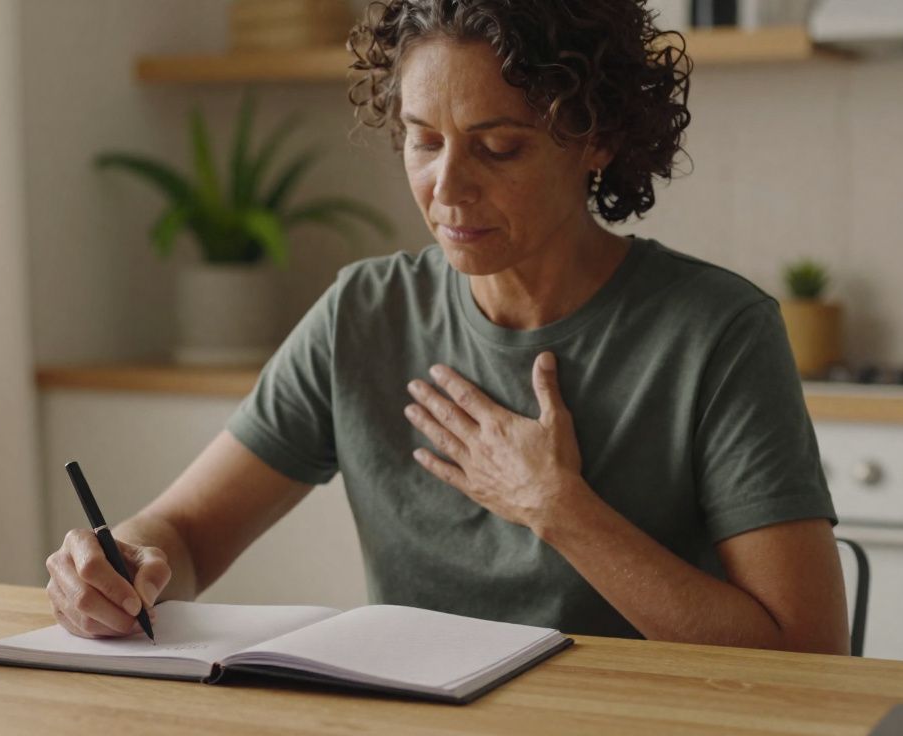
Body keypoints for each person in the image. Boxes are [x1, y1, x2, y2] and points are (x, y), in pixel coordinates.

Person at [45, 0, 849, 654]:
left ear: (597, 138)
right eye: (423, 141)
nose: (447, 187)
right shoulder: (363, 315)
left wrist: (558, 508)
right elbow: (186, 532)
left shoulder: (718, 332)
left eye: (498, 147)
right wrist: (121, 564)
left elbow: (808, 654)